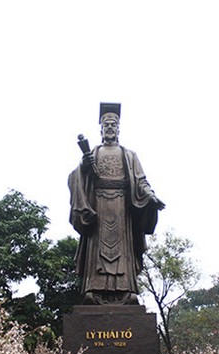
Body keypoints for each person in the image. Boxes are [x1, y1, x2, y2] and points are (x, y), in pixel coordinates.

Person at [68, 103, 164, 305]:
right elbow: (76, 176)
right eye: (106, 125)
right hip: (98, 205)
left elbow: (141, 181)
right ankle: (93, 290)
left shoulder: (129, 155)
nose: (110, 128)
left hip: (122, 206)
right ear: (101, 129)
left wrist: (151, 196)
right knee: (98, 249)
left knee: (123, 251)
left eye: (113, 125)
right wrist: (84, 168)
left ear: (118, 129)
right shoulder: (93, 153)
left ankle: (126, 290)